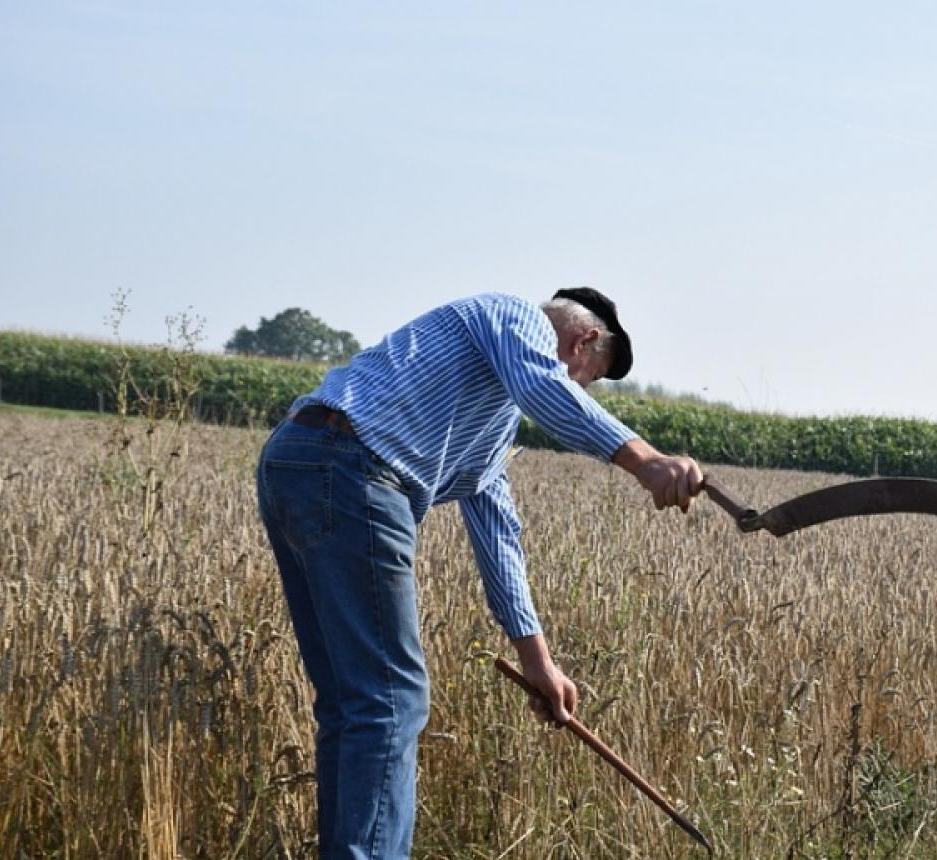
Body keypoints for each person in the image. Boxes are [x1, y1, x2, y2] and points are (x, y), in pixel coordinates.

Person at [254, 288, 702, 860]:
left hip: (299, 460)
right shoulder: (513, 317)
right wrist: (645, 459)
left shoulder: (487, 427)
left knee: (352, 702)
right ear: (583, 341)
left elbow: (498, 537)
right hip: (351, 469)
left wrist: (537, 662)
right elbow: (545, 388)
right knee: (392, 701)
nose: (580, 388)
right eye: (588, 378)